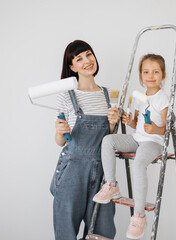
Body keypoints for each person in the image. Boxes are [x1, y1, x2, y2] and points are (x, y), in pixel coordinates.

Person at [93, 54, 169, 239]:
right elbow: (136, 124)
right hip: (137, 138)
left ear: (163, 75)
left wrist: (156, 128)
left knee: (138, 164)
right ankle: (111, 185)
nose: (150, 76)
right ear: (140, 75)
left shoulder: (163, 98)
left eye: (155, 72)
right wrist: (131, 121)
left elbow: (166, 129)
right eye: (146, 72)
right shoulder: (139, 97)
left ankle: (139, 216)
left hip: (154, 143)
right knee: (108, 141)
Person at [50, 40, 119, 240]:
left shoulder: (109, 96)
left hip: (103, 175)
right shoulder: (65, 95)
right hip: (71, 172)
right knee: (66, 233)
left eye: (89, 54)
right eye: (79, 58)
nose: (87, 61)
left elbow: (110, 139)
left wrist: (113, 125)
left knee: (102, 233)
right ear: (72, 67)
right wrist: (59, 131)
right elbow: (60, 142)